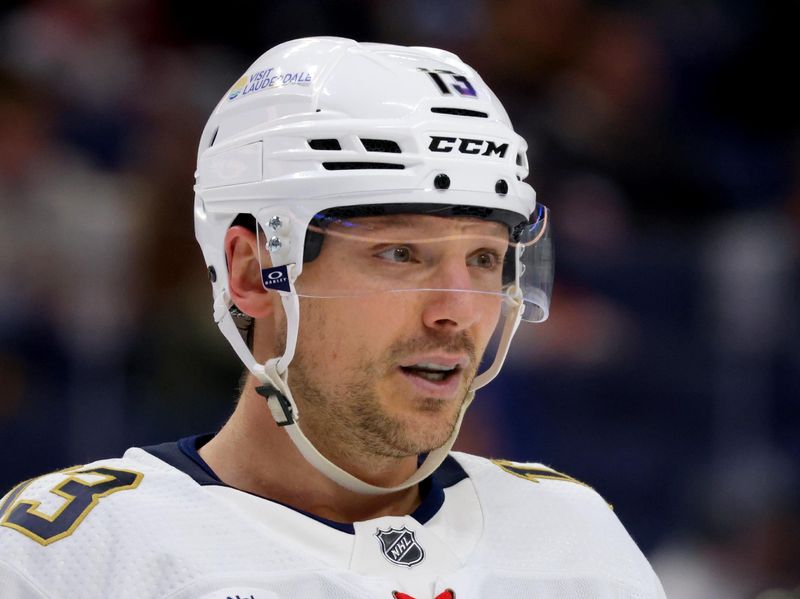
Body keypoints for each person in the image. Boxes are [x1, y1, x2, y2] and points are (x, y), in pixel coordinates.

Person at [0, 37, 665, 598]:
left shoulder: (574, 534)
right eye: (401, 254)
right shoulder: (74, 558)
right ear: (253, 273)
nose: (459, 311)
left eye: (486, 259)